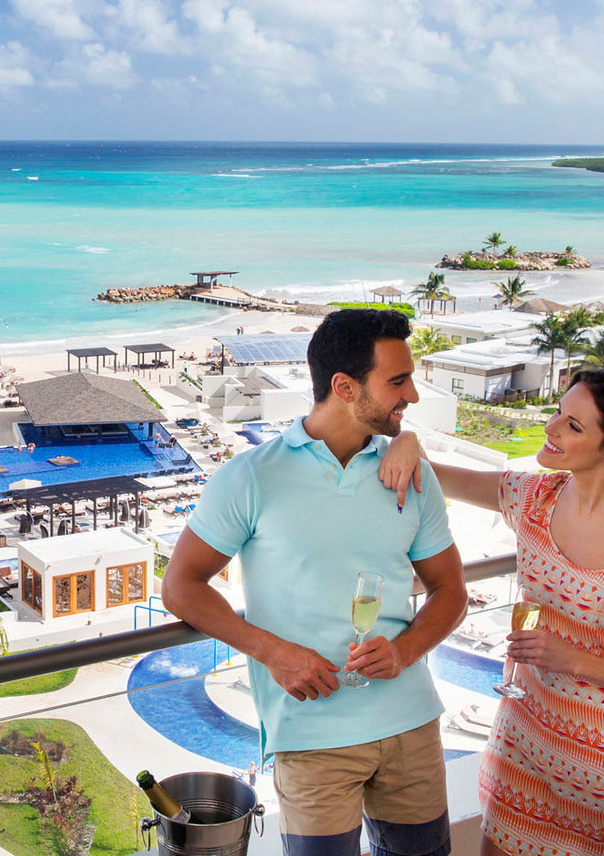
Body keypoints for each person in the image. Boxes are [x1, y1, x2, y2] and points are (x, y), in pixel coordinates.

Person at [162, 309, 466, 856]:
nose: (413, 395)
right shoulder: (251, 477)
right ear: (344, 387)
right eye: (398, 381)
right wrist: (273, 652)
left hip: (411, 724)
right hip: (310, 735)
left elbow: (451, 591)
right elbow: (181, 587)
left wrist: (404, 651)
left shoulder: (411, 474)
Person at [379, 368, 604, 856]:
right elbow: (433, 475)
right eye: (558, 412)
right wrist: (407, 438)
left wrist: (571, 659)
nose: (551, 427)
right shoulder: (533, 497)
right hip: (525, 738)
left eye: (573, 425)